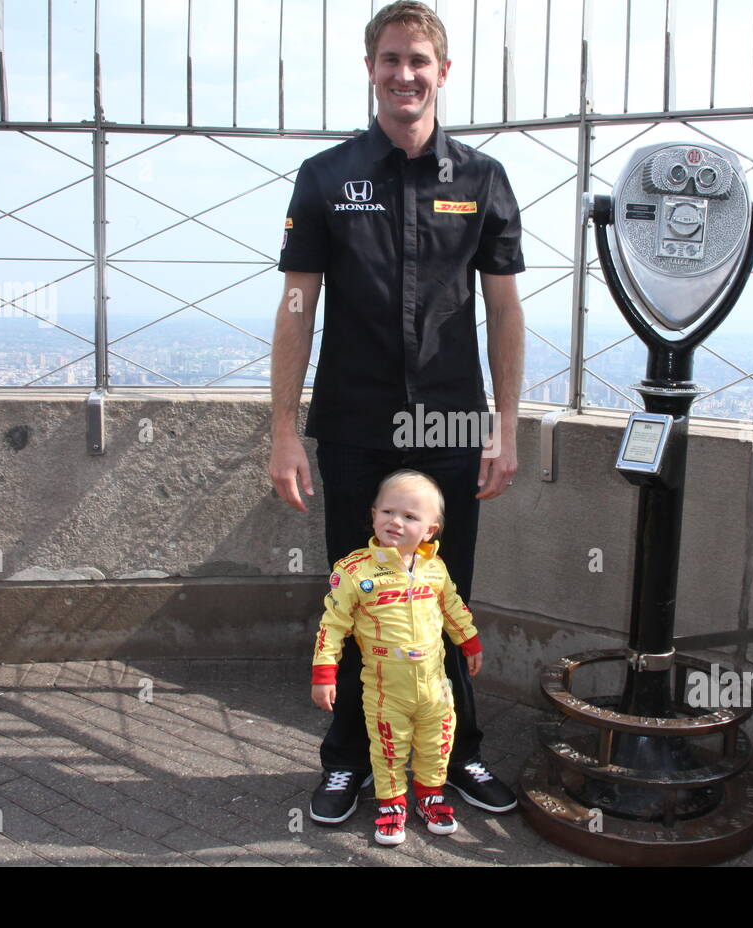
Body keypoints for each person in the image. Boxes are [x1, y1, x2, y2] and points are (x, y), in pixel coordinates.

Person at [269, 0, 524, 825]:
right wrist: (282, 431)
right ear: (370, 69)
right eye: (390, 59)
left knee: (444, 599)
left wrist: (506, 424)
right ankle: (347, 760)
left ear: (443, 73)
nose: (404, 74)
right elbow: (297, 308)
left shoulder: (482, 180)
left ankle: (460, 756)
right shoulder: (324, 178)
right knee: (356, 603)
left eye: (419, 60)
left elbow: (505, 310)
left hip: (450, 427)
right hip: (353, 426)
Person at [311, 470, 480, 845]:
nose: (395, 521)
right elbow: (333, 625)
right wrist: (324, 673)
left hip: (435, 685)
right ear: (372, 515)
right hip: (386, 688)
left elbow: (453, 606)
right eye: (387, 511)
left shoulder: (435, 568)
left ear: (429, 531)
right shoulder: (354, 570)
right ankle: (391, 805)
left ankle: (431, 797)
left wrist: (469, 642)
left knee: (437, 743)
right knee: (388, 747)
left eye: (410, 517)